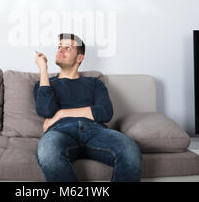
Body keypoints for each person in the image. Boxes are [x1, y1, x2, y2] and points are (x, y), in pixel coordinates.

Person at [34, 33, 143, 182]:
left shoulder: (94, 83)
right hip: (60, 132)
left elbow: (105, 113)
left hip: (95, 131)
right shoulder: (45, 84)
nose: (60, 50)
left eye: (67, 48)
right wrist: (43, 71)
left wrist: (61, 114)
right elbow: (45, 111)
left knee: (130, 150)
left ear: (80, 58)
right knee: (47, 152)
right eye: (59, 47)